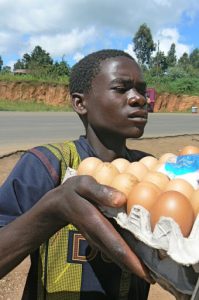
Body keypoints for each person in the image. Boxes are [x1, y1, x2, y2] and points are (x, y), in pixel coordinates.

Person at [0, 49, 155, 300]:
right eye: (121, 88)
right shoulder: (46, 165)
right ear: (80, 103)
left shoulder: (150, 169)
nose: (139, 99)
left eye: (141, 90)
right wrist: (53, 209)